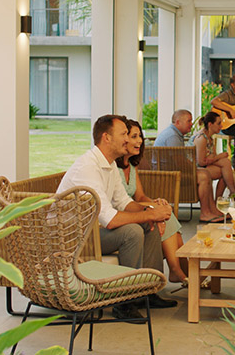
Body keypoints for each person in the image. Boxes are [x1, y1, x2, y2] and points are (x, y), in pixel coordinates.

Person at [57, 114, 177, 323]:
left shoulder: (110, 164)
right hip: (73, 238)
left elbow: (123, 201)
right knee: (131, 231)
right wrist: (149, 213)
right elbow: (109, 220)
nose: (128, 140)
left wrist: (152, 212)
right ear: (106, 138)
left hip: (91, 231)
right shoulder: (88, 167)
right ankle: (124, 302)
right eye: (123, 134)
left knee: (146, 225)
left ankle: (146, 291)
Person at [116, 118, 188, 285]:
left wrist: (156, 203)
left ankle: (182, 271)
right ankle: (178, 270)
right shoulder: (113, 168)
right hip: (122, 215)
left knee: (165, 211)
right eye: (134, 136)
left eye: (140, 136)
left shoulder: (131, 166)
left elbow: (140, 196)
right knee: (165, 218)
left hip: (134, 209)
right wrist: (152, 209)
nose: (139, 141)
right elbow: (120, 204)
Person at [155, 109, 225, 222]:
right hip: (168, 176)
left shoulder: (175, 134)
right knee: (204, 176)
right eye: (189, 121)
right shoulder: (172, 137)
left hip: (171, 171)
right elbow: (180, 163)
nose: (192, 124)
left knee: (205, 173)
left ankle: (211, 210)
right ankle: (205, 213)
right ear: (178, 122)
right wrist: (196, 168)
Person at [191, 111, 235, 204]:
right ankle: (226, 197)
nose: (221, 126)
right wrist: (219, 157)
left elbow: (212, 156)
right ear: (210, 124)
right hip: (194, 169)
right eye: (218, 123)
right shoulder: (201, 138)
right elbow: (200, 162)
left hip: (204, 165)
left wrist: (216, 157)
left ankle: (220, 201)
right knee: (225, 171)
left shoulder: (209, 137)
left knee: (226, 165)